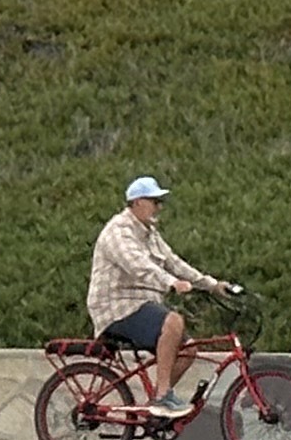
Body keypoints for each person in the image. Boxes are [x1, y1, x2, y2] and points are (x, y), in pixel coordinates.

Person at [85, 177, 236, 420]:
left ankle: (157, 402)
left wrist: (212, 285)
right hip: (117, 308)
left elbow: (173, 262)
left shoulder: (149, 233)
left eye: (160, 202)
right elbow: (139, 266)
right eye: (154, 201)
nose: (159, 207)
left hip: (141, 304)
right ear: (136, 203)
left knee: (188, 350)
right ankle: (163, 396)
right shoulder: (118, 232)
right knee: (173, 321)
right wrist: (170, 283)